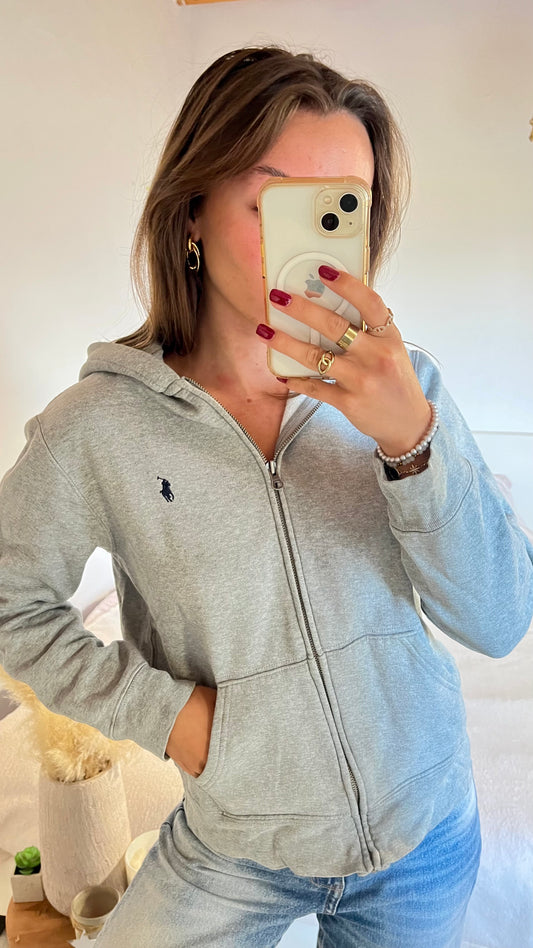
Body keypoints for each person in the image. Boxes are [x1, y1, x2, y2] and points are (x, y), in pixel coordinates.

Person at [1, 45, 532, 948]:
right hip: (233, 843)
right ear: (192, 212)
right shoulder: (98, 427)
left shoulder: (408, 392)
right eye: (275, 202)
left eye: (342, 207)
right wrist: (169, 717)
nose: (312, 245)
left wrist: (410, 442)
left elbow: (500, 619)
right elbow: (12, 604)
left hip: (424, 832)